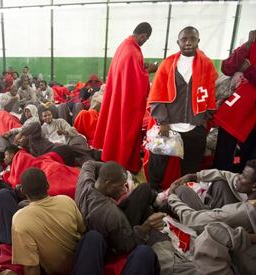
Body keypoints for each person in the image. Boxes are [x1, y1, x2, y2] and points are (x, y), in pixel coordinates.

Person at [147, 26, 217, 191]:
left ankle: (185, 195)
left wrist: (203, 117)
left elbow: (212, 92)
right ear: (178, 42)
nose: (188, 43)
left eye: (192, 39)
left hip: (195, 127)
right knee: (157, 164)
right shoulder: (168, 64)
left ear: (198, 41)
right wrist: (163, 122)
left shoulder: (206, 64)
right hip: (168, 126)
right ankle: (153, 193)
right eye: (184, 39)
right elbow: (156, 95)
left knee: (191, 167)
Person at [93, 22, 156, 174]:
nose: (144, 42)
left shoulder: (124, 46)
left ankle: (112, 160)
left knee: (113, 130)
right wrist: (150, 71)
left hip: (117, 98)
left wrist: (143, 68)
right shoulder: (133, 51)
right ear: (143, 35)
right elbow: (136, 81)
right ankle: (122, 164)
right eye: (145, 39)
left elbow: (130, 73)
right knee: (125, 132)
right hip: (126, 103)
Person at [75, 160, 164, 262]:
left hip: (96, 224)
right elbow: (127, 246)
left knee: (144, 190)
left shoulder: (85, 182)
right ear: (108, 184)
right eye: (121, 185)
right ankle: (159, 203)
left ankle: (156, 202)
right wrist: (145, 227)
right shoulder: (113, 214)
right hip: (112, 244)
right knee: (145, 192)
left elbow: (88, 163)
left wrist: (116, 171)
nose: (124, 189)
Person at [11, 168, 86, 275]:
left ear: (22, 191)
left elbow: (31, 267)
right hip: (82, 263)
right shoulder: (67, 201)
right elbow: (82, 229)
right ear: (47, 185)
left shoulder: (19, 219)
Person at [213, 30, 256, 172]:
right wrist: (248, 44)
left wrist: (248, 69)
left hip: (251, 115)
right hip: (236, 109)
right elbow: (227, 68)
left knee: (246, 157)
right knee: (223, 153)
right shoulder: (251, 45)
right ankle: (217, 184)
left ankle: (240, 188)